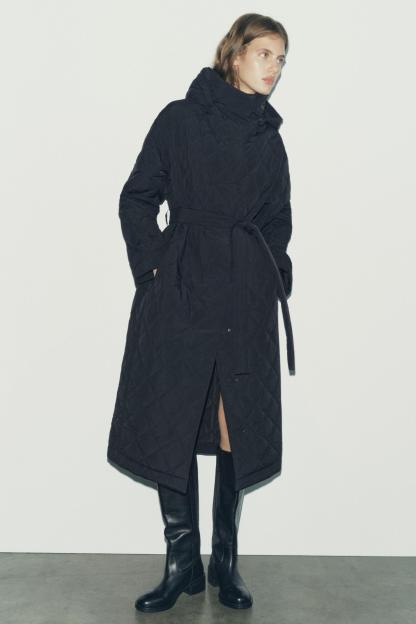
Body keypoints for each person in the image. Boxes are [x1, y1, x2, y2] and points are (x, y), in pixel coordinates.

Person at [107, 12, 295, 612]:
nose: (274, 68)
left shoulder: (269, 139)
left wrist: (271, 275)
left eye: (281, 59)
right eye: (265, 54)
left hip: (243, 295)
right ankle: (181, 562)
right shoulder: (179, 120)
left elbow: (277, 222)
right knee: (174, 416)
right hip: (182, 290)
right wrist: (155, 268)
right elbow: (137, 197)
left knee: (233, 416)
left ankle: (225, 561)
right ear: (234, 55)